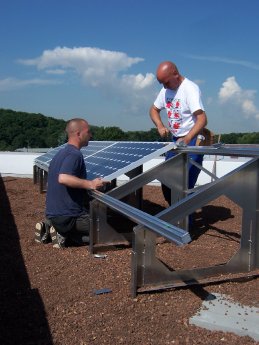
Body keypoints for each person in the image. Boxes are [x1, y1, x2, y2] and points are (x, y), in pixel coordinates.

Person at [35, 118, 109, 248]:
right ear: (79, 134)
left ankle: (50, 226)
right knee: (105, 229)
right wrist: (91, 184)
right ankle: (64, 235)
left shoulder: (60, 153)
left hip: (53, 214)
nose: (90, 135)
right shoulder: (75, 155)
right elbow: (63, 178)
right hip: (70, 217)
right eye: (88, 132)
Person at [150, 61, 208, 205]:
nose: (164, 86)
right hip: (175, 141)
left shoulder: (190, 89)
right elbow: (153, 109)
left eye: (166, 82)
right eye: (162, 83)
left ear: (175, 74)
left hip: (192, 141)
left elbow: (202, 119)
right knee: (166, 181)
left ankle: (185, 224)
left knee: (183, 186)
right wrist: (160, 125)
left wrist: (187, 139)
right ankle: (174, 217)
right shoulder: (165, 90)